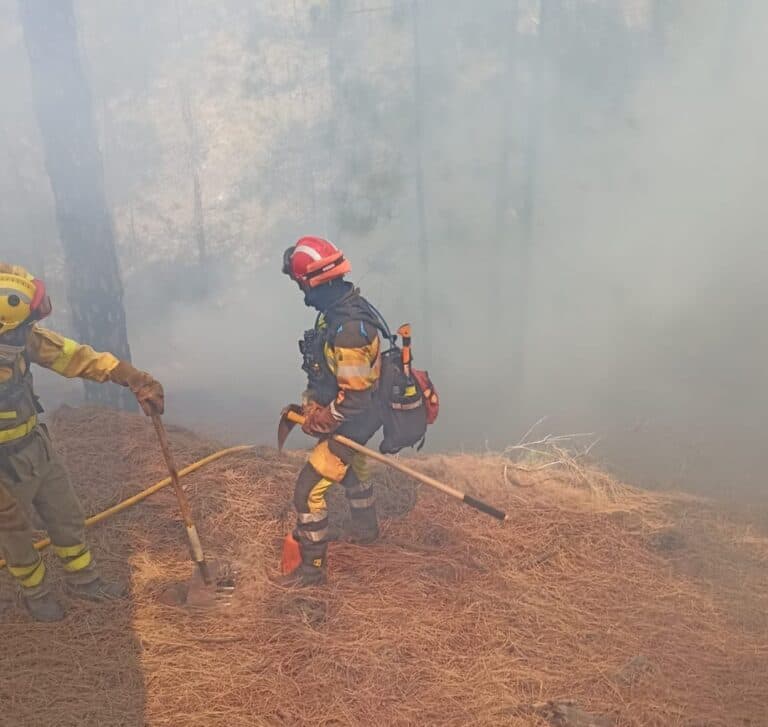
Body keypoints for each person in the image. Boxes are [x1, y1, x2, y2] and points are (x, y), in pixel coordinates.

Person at [0, 263, 163, 621]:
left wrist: (134, 378)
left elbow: (77, 357)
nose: (31, 332)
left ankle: (85, 581)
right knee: (13, 531)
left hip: (34, 447)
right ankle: (35, 594)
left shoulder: (22, 338)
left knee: (65, 514)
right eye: (24, 326)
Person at [280, 237, 384, 585]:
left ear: (312, 282)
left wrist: (325, 418)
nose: (301, 293)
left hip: (357, 417)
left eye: (300, 285)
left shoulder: (349, 330)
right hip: (360, 412)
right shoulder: (336, 313)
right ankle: (367, 531)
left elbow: (354, 399)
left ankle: (311, 571)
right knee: (353, 467)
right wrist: (314, 401)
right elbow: (326, 372)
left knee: (307, 491)